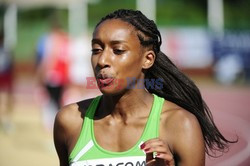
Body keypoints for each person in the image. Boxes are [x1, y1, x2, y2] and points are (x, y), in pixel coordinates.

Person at [53, 9, 236, 166]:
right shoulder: (71, 121)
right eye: (96, 50)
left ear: (147, 59)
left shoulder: (179, 124)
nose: (102, 61)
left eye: (118, 50)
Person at [36, 17, 70, 132]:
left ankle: (54, 123)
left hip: (54, 74)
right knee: (57, 99)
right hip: (62, 74)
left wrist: (41, 73)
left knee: (52, 99)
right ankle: (57, 122)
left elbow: (50, 58)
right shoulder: (66, 39)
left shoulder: (54, 40)